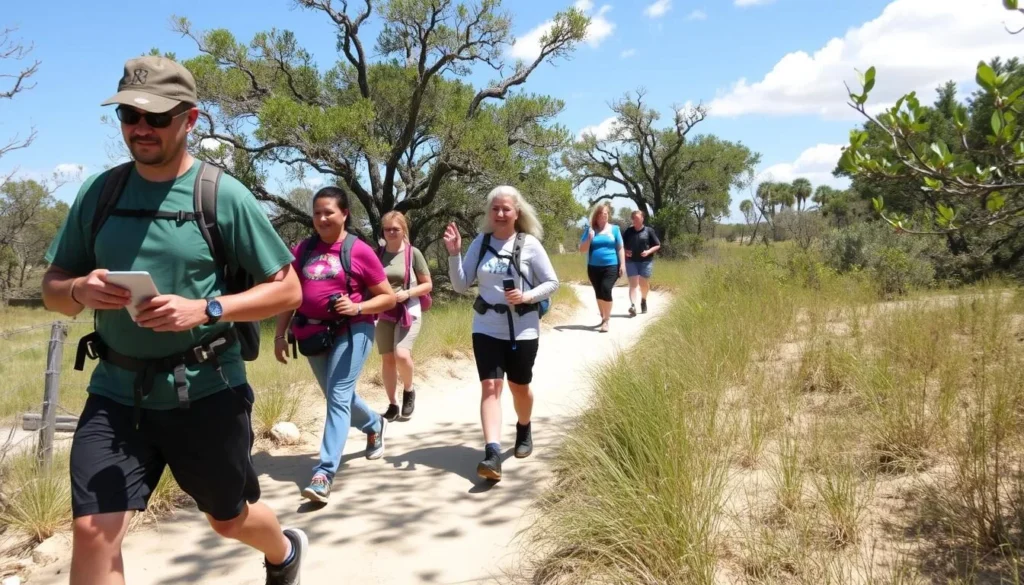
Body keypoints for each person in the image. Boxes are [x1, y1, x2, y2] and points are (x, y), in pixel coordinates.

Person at [41, 56, 308, 585]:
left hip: (207, 391)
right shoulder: (99, 194)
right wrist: (79, 288)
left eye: (157, 117)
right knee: (94, 533)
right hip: (116, 394)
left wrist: (206, 308)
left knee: (228, 519)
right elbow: (52, 290)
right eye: (129, 116)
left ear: (190, 119)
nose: (140, 128)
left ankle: (282, 550)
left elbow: (289, 289)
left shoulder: (221, 195)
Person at [273, 187, 396, 505]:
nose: (322, 218)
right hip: (312, 334)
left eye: (329, 212)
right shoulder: (303, 250)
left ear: (344, 214)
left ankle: (324, 473)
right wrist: (279, 335)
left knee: (338, 396)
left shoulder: (359, 251)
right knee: (336, 394)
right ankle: (373, 424)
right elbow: (290, 294)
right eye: (317, 213)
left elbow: (387, 296)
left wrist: (357, 308)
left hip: (352, 329)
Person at [443, 186, 559, 481]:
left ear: (517, 212)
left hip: (523, 328)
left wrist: (526, 296)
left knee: (519, 387)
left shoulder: (530, 244)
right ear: (489, 213)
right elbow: (460, 285)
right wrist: (454, 254)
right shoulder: (480, 244)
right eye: (495, 209)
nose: (501, 214)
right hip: (486, 327)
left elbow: (551, 282)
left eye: (506, 209)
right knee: (491, 387)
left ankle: (523, 427)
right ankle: (492, 453)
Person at [376, 211, 432, 422]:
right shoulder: (378, 254)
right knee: (387, 359)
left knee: (401, 354)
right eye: (388, 229)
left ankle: (409, 390)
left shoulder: (413, 253)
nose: (391, 232)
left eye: (395, 229)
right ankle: (392, 404)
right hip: (383, 311)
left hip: (409, 309)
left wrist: (407, 293)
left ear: (403, 230)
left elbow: (428, 284)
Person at [579, 202, 626, 333]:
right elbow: (582, 249)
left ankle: (606, 320)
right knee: (598, 292)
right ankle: (602, 315)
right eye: (600, 214)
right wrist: (589, 239)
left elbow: (620, 247)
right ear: (596, 216)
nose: (603, 216)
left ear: (608, 215)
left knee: (606, 289)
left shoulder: (615, 229)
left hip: (611, 265)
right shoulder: (590, 230)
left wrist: (622, 264)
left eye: (605, 213)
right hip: (593, 267)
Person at [622, 210, 661, 316]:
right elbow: (620, 245)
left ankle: (643, 300)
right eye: (633, 218)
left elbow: (657, 245)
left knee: (643, 284)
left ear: (642, 219)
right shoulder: (628, 231)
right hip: (631, 261)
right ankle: (633, 305)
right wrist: (625, 251)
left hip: (645, 262)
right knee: (633, 285)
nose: (635, 220)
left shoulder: (649, 231)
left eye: (637, 218)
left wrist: (648, 251)